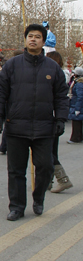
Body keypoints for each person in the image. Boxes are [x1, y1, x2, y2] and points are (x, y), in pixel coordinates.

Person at [0, 24, 69, 221]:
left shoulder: (53, 68)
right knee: (16, 170)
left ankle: (39, 197)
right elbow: (0, 91)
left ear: (43, 42)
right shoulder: (12, 65)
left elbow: (61, 96)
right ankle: (17, 206)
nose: (33, 39)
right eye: (30, 36)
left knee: (45, 166)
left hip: (44, 129)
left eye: (37, 37)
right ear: (25, 40)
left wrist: (60, 118)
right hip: (16, 126)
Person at [46, 51, 73, 192]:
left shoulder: (57, 75)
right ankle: (48, 180)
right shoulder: (61, 73)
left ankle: (62, 179)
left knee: (47, 152)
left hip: (51, 116)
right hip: (54, 116)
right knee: (50, 151)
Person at [67, 66, 83, 144]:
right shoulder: (77, 82)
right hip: (76, 104)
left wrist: (77, 108)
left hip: (76, 105)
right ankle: (78, 137)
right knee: (77, 122)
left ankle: (75, 138)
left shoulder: (79, 83)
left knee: (76, 123)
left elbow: (80, 96)